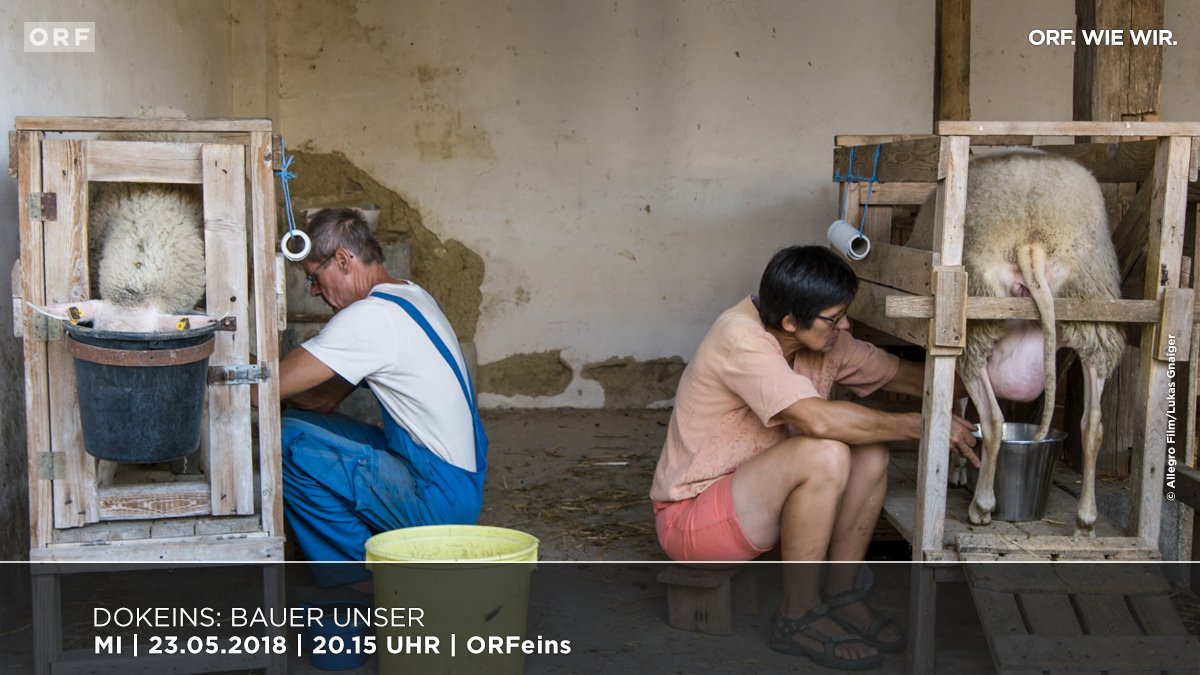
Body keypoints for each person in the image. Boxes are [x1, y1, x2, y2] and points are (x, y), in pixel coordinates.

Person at [650, 245, 978, 670]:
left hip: (754, 501)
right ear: (790, 321)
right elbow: (818, 421)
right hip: (693, 520)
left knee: (870, 452)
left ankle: (840, 595)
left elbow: (911, 379)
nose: (844, 326)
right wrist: (928, 425)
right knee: (824, 452)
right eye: (834, 318)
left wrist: (996, 377)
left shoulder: (824, 338)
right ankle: (796, 614)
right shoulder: (739, 339)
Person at [275, 208, 487, 588]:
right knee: (299, 425)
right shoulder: (412, 295)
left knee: (285, 445)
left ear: (342, 260)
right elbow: (323, 401)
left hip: (436, 497)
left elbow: (265, 385)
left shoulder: (370, 318)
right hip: (458, 479)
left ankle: (358, 579)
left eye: (314, 278)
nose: (314, 292)